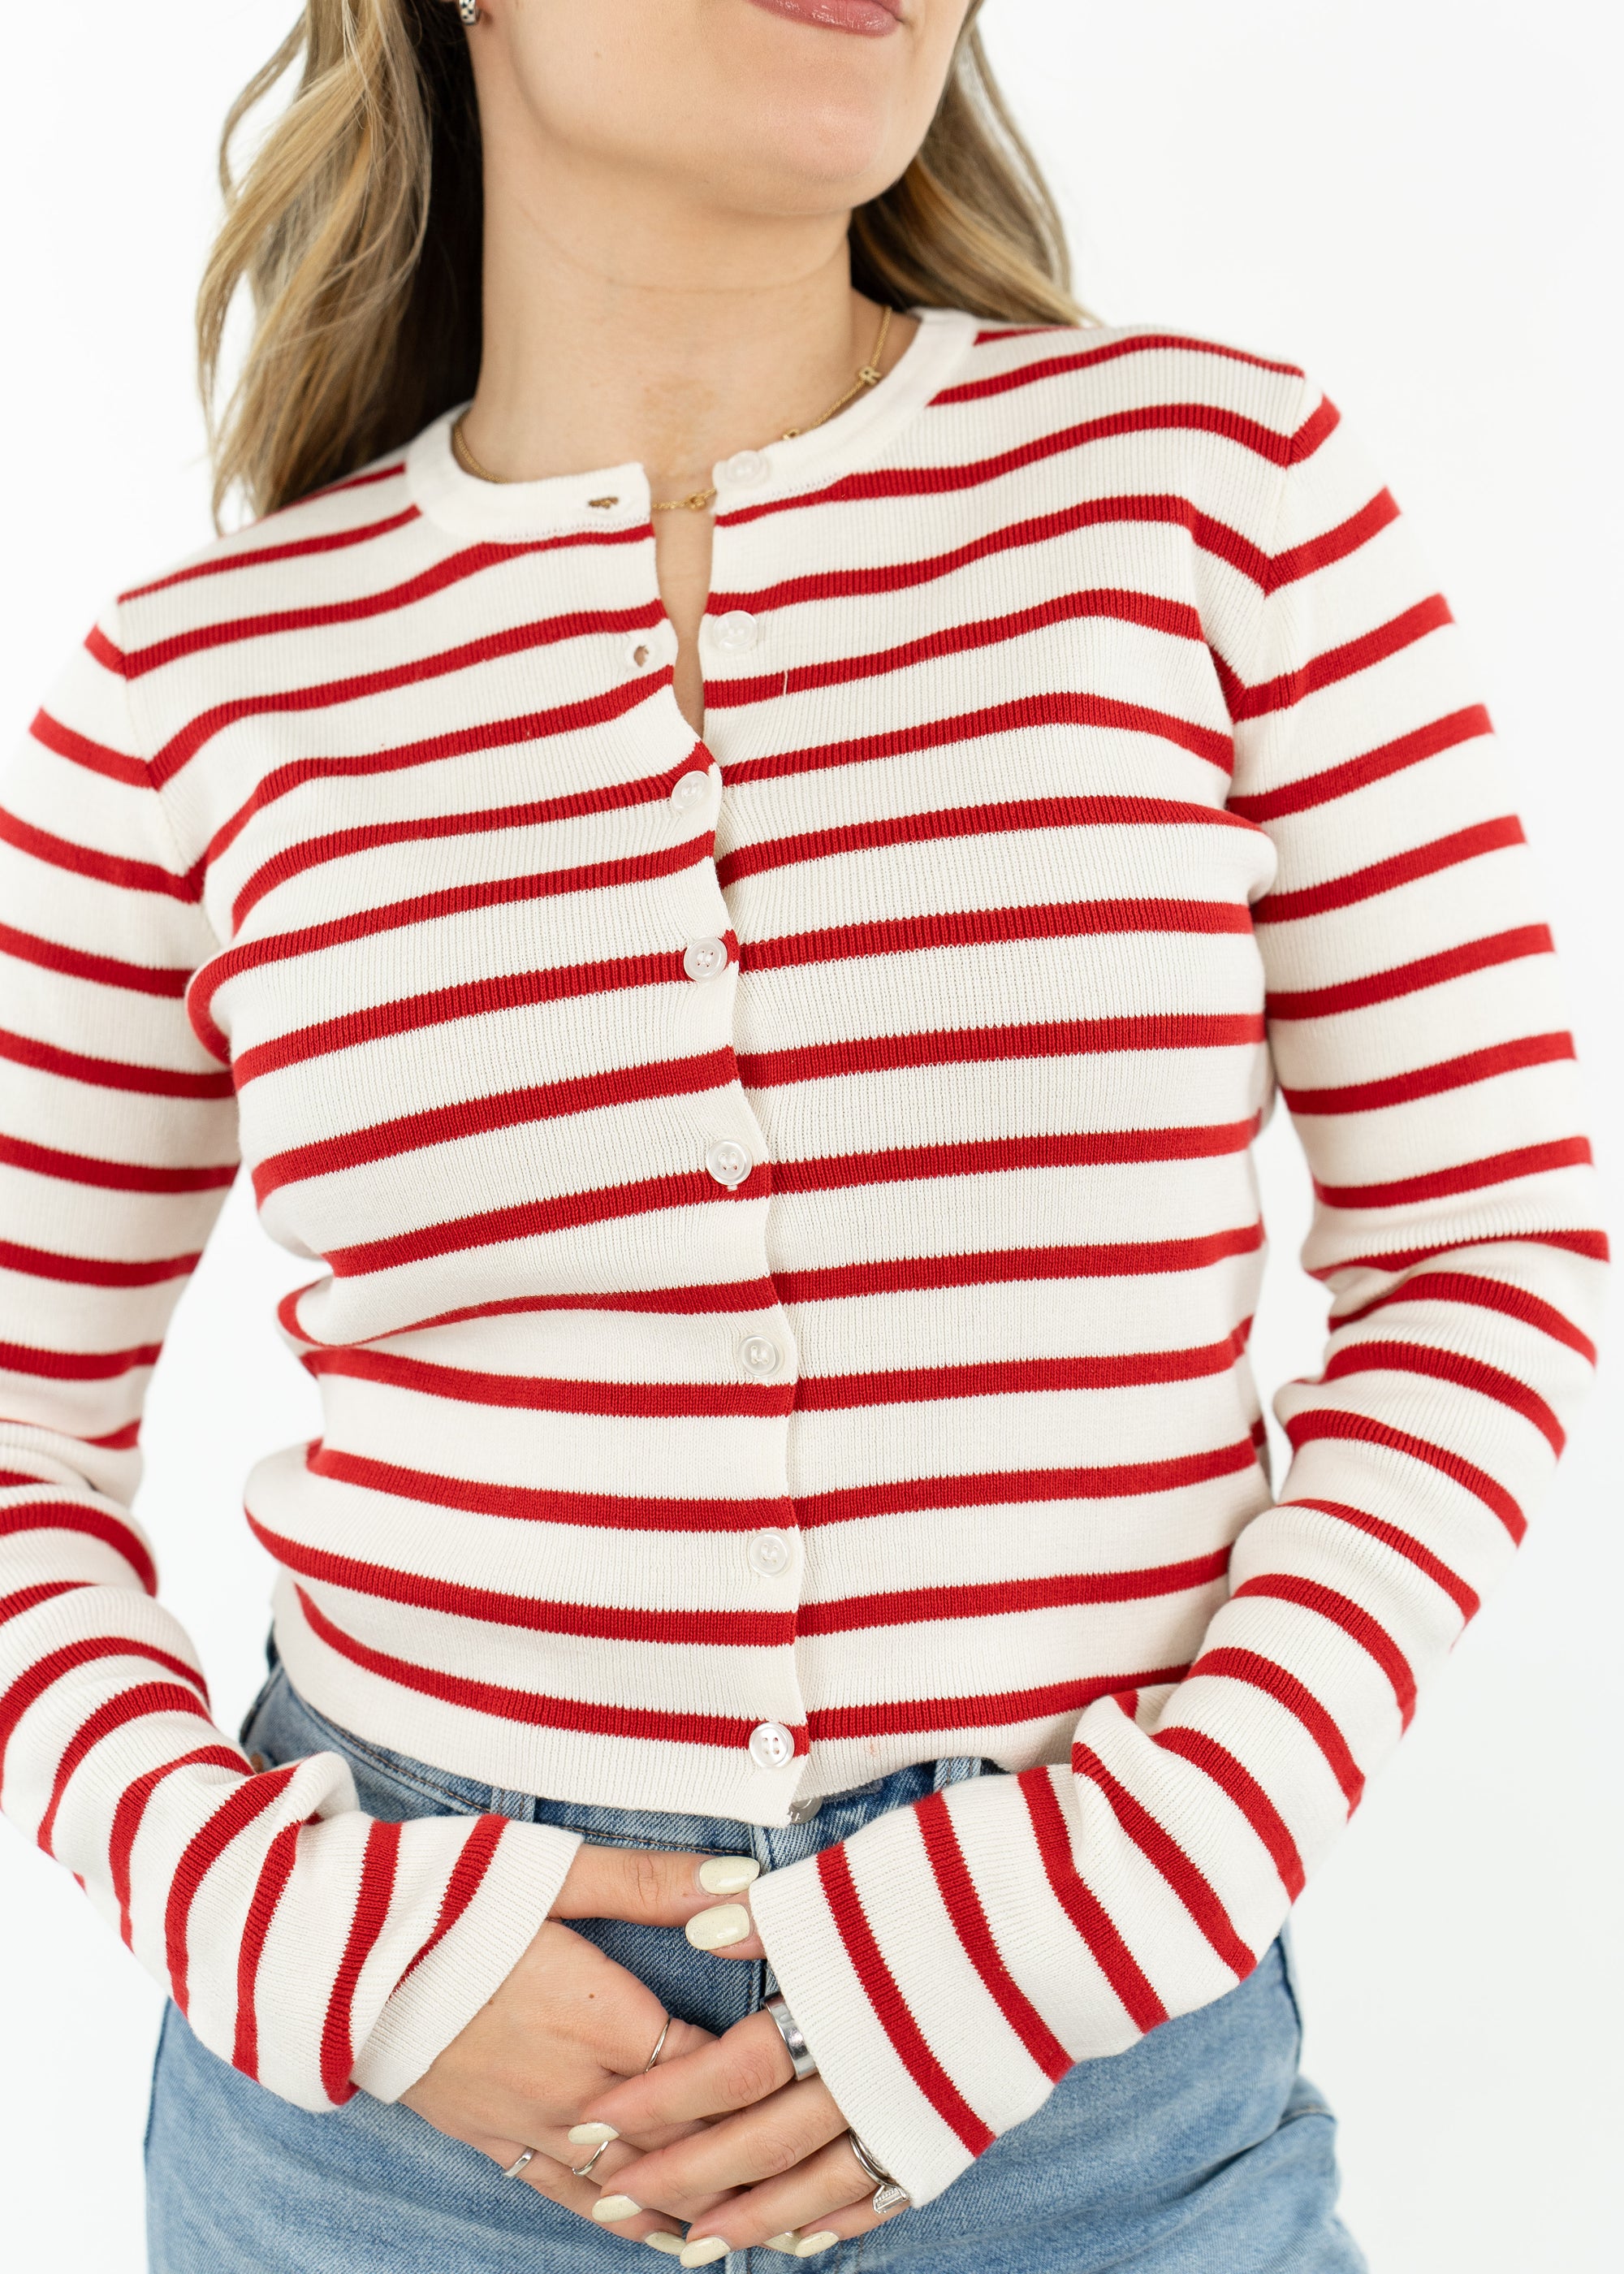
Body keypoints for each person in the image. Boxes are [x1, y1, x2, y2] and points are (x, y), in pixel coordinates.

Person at [0, 2, 1604, 2268]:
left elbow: (1488, 1255)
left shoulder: (1209, 496)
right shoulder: (197, 688)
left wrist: (1146, 1867)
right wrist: (271, 1908)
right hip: (390, 2127)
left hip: (1098, 2071)